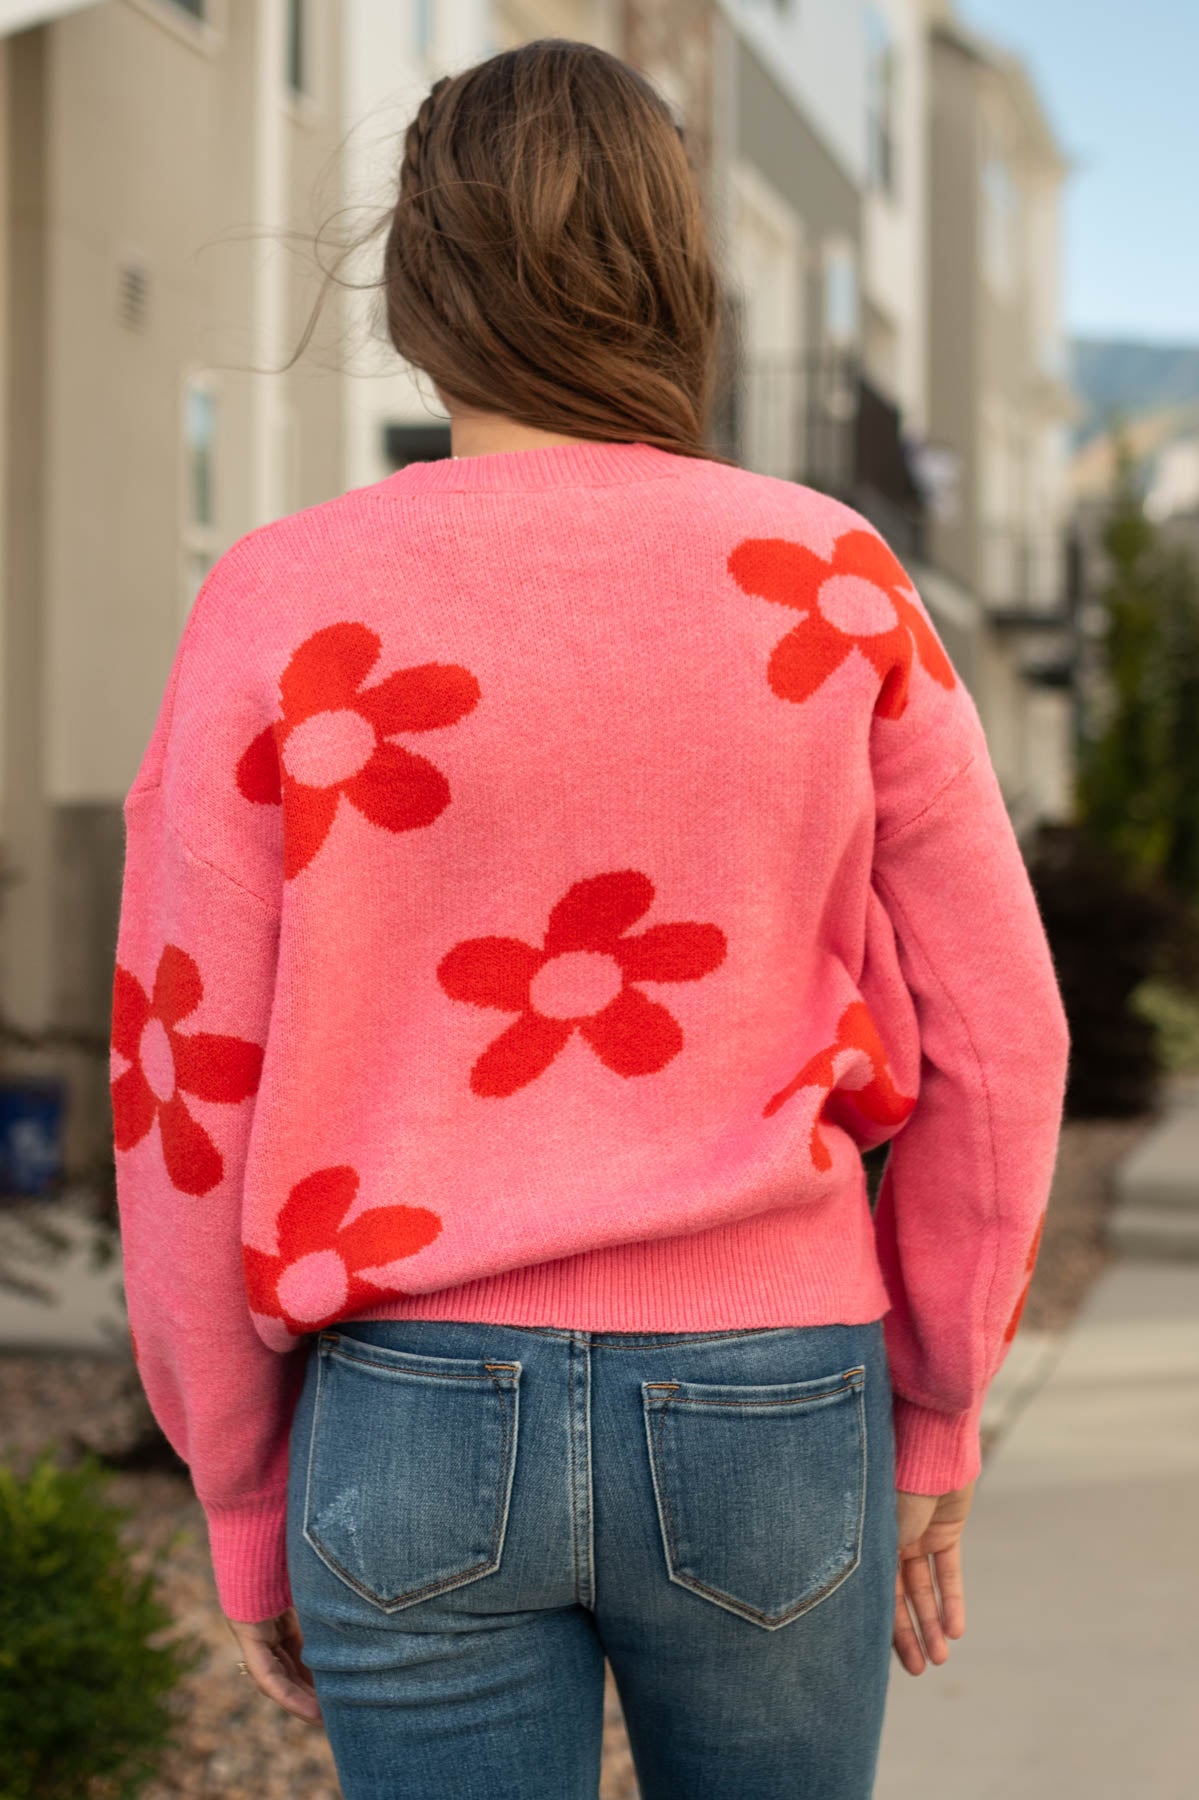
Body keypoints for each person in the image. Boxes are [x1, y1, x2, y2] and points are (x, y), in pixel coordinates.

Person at [110, 36, 1070, 1800]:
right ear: (674, 274)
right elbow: (1005, 1038)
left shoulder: (279, 601)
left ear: (415, 285)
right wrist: (935, 1410)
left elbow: (186, 1083)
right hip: (771, 1404)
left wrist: (243, 1489)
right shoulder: (829, 581)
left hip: (405, 1406)